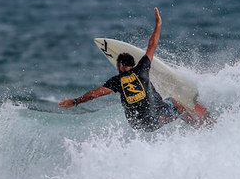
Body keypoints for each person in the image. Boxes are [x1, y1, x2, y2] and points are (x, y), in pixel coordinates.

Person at [59, 8, 211, 131]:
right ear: (133, 65)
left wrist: (75, 101)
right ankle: (203, 127)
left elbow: (94, 94)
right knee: (176, 103)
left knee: (165, 101)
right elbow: (152, 45)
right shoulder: (143, 68)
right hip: (156, 118)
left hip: (138, 125)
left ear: (119, 66)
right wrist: (158, 25)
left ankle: (196, 124)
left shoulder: (115, 81)